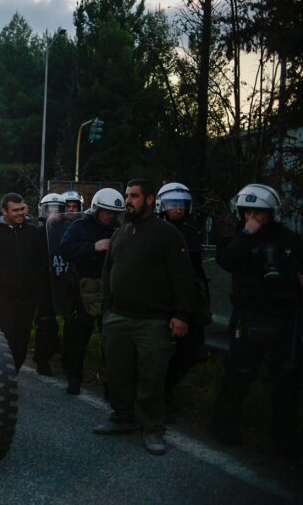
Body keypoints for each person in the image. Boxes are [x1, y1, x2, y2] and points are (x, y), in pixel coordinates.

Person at [95, 179, 195, 456]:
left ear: (150, 199)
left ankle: (152, 428)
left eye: (134, 196)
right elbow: (107, 272)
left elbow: (183, 277)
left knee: (152, 377)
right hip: (118, 318)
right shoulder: (121, 232)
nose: (129, 200)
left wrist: (181, 315)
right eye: (127, 195)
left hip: (153, 321)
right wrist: (107, 310)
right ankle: (122, 418)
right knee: (119, 373)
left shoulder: (168, 234)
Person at [212, 183, 303, 456]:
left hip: (284, 320)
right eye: (247, 211)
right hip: (247, 318)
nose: (252, 216)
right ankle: (224, 425)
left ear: (271, 212)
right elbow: (227, 260)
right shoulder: (236, 239)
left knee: (286, 381)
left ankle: (283, 438)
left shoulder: (289, 240)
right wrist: (247, 234)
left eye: (259, 212)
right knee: (238, 375)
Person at [59, 188, 125, 395]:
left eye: (114, 212)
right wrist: (93, 247)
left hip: (111, 288)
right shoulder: (80, 226)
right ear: (96, 209)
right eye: (107, 211)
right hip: (84, 288)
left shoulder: (120, 229)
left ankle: (111, 385)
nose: (111, 216)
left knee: (112, 341)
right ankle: (74, 377)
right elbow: (66, 250)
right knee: (79, 336)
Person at [156, 182, 210, 417]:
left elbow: (197, 272)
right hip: (161, 301)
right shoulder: (154, 231)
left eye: (182, 205)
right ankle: (158, 397)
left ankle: (166, 390)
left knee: (189, 351)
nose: (178, 209)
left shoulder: (191, 234)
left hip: (188, 301)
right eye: (173, 204)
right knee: (158, 353)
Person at [0, 192, 46, 372]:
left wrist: (37, 293)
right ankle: (2, 376)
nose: (19, 213)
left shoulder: (33, 233)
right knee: (5, 340)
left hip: (27, 300)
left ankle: (12, 373)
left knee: (21, 340)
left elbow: (40, 263)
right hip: (3, 299)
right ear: (4, 211)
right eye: (15, 210)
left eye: (22, 209)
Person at [33, 193, 67, 376]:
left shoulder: (67, 229)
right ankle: (41, 359)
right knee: (45, 322)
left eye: (57, 208)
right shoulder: (37, 232)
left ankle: (60, 352)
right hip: (43, 284)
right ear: (43, 210)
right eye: (49, 208)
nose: (53, 212)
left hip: (63, 280)